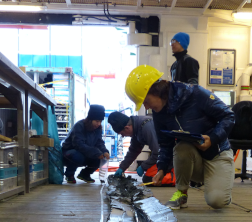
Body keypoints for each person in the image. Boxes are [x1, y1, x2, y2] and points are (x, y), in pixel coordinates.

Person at [125, 65, 235, 210]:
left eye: (145, 101)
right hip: (194, 160)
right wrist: (161, 169)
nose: (146, 106)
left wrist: (213, 138)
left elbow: (228, 116)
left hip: (217, 154)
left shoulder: (195, 94)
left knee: (216, 201)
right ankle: (181, 194)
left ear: (156, 90)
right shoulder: (159, 112)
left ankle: (222, 187)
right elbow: (165, 143)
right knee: (182, 146)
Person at [62, 104, 109, 184]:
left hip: (85, 153)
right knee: (78, 155)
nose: (98, 124)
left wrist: (104, 151)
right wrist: (96, 153)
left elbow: (99, 142)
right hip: (70, 153)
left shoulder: (98, 129)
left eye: (100, 121)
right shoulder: (79, 126)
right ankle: (69, 174)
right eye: (97, 121)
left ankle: (85, 174)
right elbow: (78, 145)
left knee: (102, 158)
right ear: (90, 119)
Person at [108, 111, 159, 181]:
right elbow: (133, 151)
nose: (122, 136)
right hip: (164, 157)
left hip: (171, 156)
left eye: (122, 133)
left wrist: (143, 166)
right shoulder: (136, 130)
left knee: (150, 178)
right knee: (148, 176)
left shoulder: (146, 126)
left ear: (127, 128)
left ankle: (174, 173)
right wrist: (122, 168)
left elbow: (158, 152)